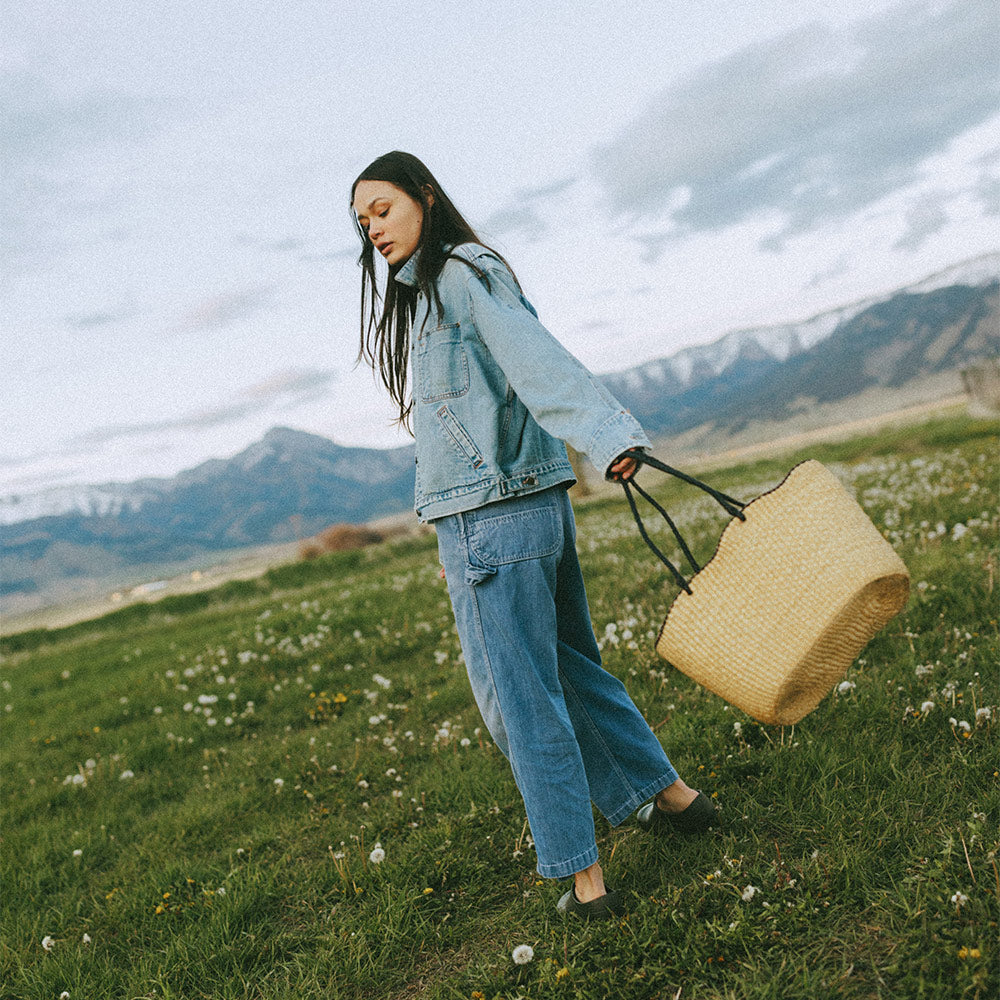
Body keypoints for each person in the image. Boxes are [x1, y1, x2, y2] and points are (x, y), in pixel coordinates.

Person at [350, 151, 716, 920]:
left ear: (424, 194)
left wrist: (604, 430)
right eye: (361, 222)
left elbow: (534, 361)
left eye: (381, 209)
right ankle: (672, 799)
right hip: (522, 507)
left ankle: (584, 882)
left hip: (492, 515)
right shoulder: (447, 283)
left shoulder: (457, 276)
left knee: (519, 699)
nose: (372, 230)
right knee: (572, 672)